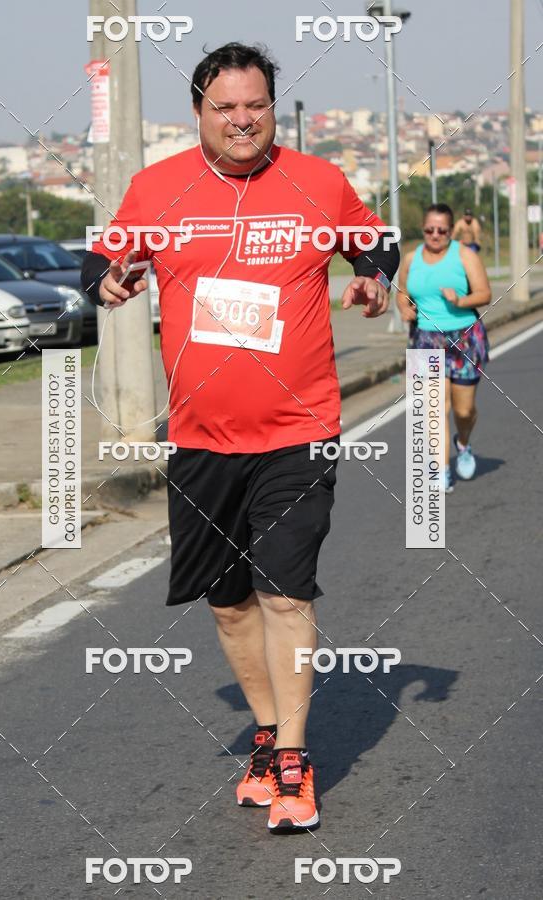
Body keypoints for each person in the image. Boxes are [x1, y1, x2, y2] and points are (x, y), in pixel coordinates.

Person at [81, 42, 399, 833]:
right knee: (228, 605)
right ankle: (266, 732)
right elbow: (103, 258)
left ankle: (293, 758)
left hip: (299, 430)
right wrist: (111, 280)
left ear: (270, 107)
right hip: (199, 440)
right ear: (198, 113)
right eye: (225, 107)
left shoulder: (317, 181)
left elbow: (375, 241)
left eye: (254, 104)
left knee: (285, 590)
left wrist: (374, 278)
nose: (242, 119)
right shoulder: (159, 187)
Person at [397, 203, 491, 492]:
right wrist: (403, 308)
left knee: (464, 411)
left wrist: (459, 301)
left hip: (463, 336)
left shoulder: (464, 255)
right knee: (436, 407)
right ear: (423, 229)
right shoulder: (412, 258)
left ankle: (463, 443)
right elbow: (402, 293)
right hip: (426, 338)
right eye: (429, 229)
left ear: (451, 231)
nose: (435, 235)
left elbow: (484, 293)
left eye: (441, 230)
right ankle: (441, 469)